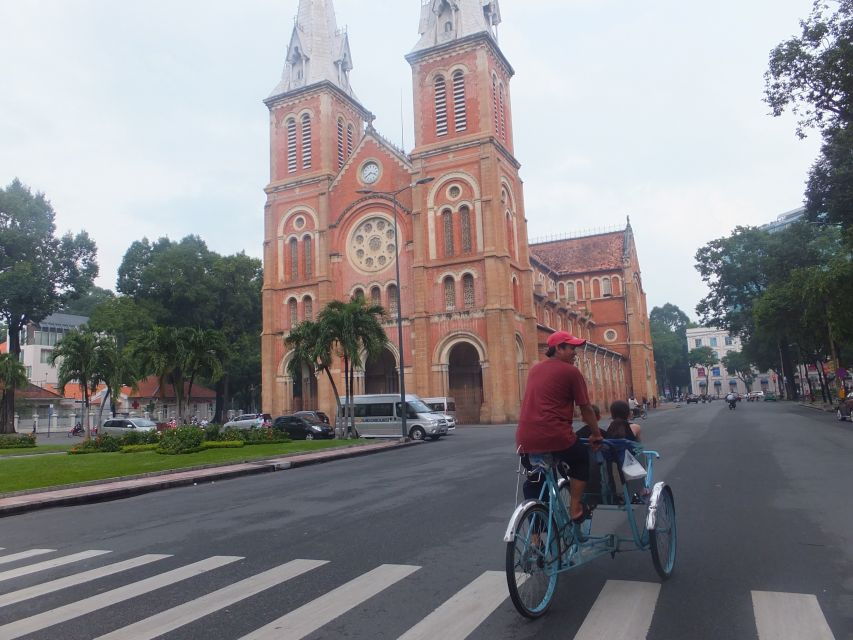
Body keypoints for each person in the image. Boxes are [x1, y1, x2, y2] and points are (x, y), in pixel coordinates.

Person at [516, 331, 604, 523]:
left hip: (525, 439)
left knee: (536, 484)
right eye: (571, 348)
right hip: (556, 436)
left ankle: (535, 538)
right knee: (581, 459)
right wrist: (596, 434)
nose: (575, 352)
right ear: (558, 349)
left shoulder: (535, 370)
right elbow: (586, 409)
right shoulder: (571, 371)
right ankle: (575, 508)